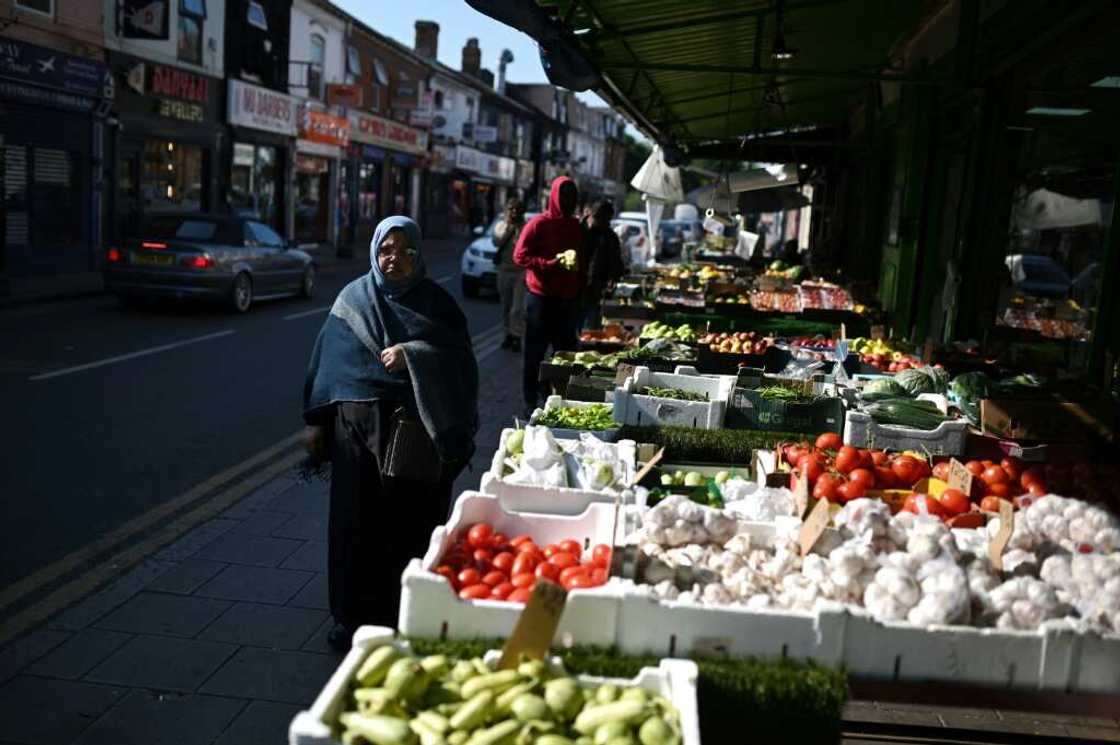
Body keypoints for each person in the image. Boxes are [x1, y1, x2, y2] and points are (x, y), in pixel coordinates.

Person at [301, 216, 479, 650]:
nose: (394, 259)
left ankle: (405, 610)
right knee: (352, 524)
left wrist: (414, 355)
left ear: (417, 255)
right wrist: (315, 425)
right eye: (386, 250)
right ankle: (350, 618)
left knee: (408, 526)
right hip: (354, 438)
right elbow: (326, 364)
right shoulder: (353, 299)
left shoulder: (437, 306)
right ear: (375, 253)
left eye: (405, 251)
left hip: (413, 434)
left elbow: (460, 363)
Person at [514, 176, 585, 418]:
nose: (568, 200)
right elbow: (520, 257)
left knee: (564, 355)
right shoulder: (538, 224)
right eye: (564, 194)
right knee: (534, 354)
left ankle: (555, 398)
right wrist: (551, 264)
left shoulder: (576, 225)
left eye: (572, 195)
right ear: (554, 195)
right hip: (540, 300)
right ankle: (529, 401)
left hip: (567, 301)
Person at [580, 200, 625, 331]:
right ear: (593, 215)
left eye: (608, 220)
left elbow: (616, 263)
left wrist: (614, 277)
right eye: (604, 219)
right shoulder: (577, 231)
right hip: (574, 289)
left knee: (591, 329)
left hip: (596, 290)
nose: (607, 223)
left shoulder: (610, 237)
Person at [492, 198, 527, 351]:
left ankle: (517, 336)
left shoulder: (526, 227)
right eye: (511, 209)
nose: (514, 212)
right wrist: (507, 226)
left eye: (517, 210)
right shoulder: (501, 225)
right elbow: (496, 242)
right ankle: (507, 335)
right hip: (504, 270)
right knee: (506, 307)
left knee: (517, 309)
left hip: (521, 272)